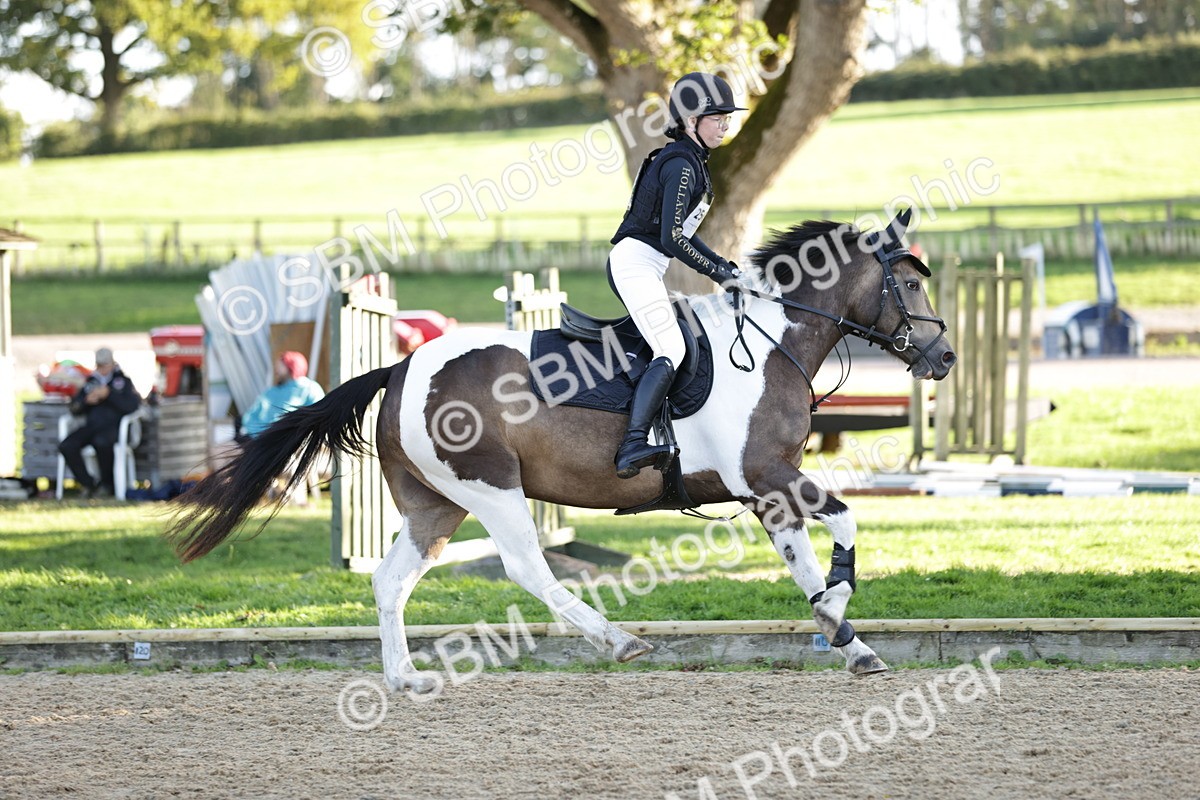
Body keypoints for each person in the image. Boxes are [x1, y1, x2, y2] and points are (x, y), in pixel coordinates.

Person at [607, 71, 747, 479]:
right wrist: (720, 275)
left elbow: (680, 236)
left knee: (684, 338)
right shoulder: (682, 163)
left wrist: (725, 267)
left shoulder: (691, 162)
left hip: (648, 264)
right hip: (636, 263)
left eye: (727, 117)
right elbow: (671, 237)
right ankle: (633, 443)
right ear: (691, 121)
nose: (726, 124)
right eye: (717, 117)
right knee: (671, 344)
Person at [59, 347, 142, 498]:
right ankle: (88, 483)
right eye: (99, 365)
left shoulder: (122, 381)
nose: (102, 369)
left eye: (104, 365)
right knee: (67, 445)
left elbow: (132, 406)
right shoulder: (91, 381)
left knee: (102, 442)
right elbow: (75, 408)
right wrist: (86, 402)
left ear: (112, 364)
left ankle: (107, 485)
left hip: (113, 427)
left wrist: (109, 395)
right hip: (92, 426)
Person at [237, 351, 325, 441]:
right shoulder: (271, 392)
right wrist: (260, 433)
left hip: (289, 442)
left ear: (292, 366)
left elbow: (319, 417)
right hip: (261, 440)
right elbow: (250, 416)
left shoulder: (308, 388)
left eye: (281, 366)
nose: (276, 370)